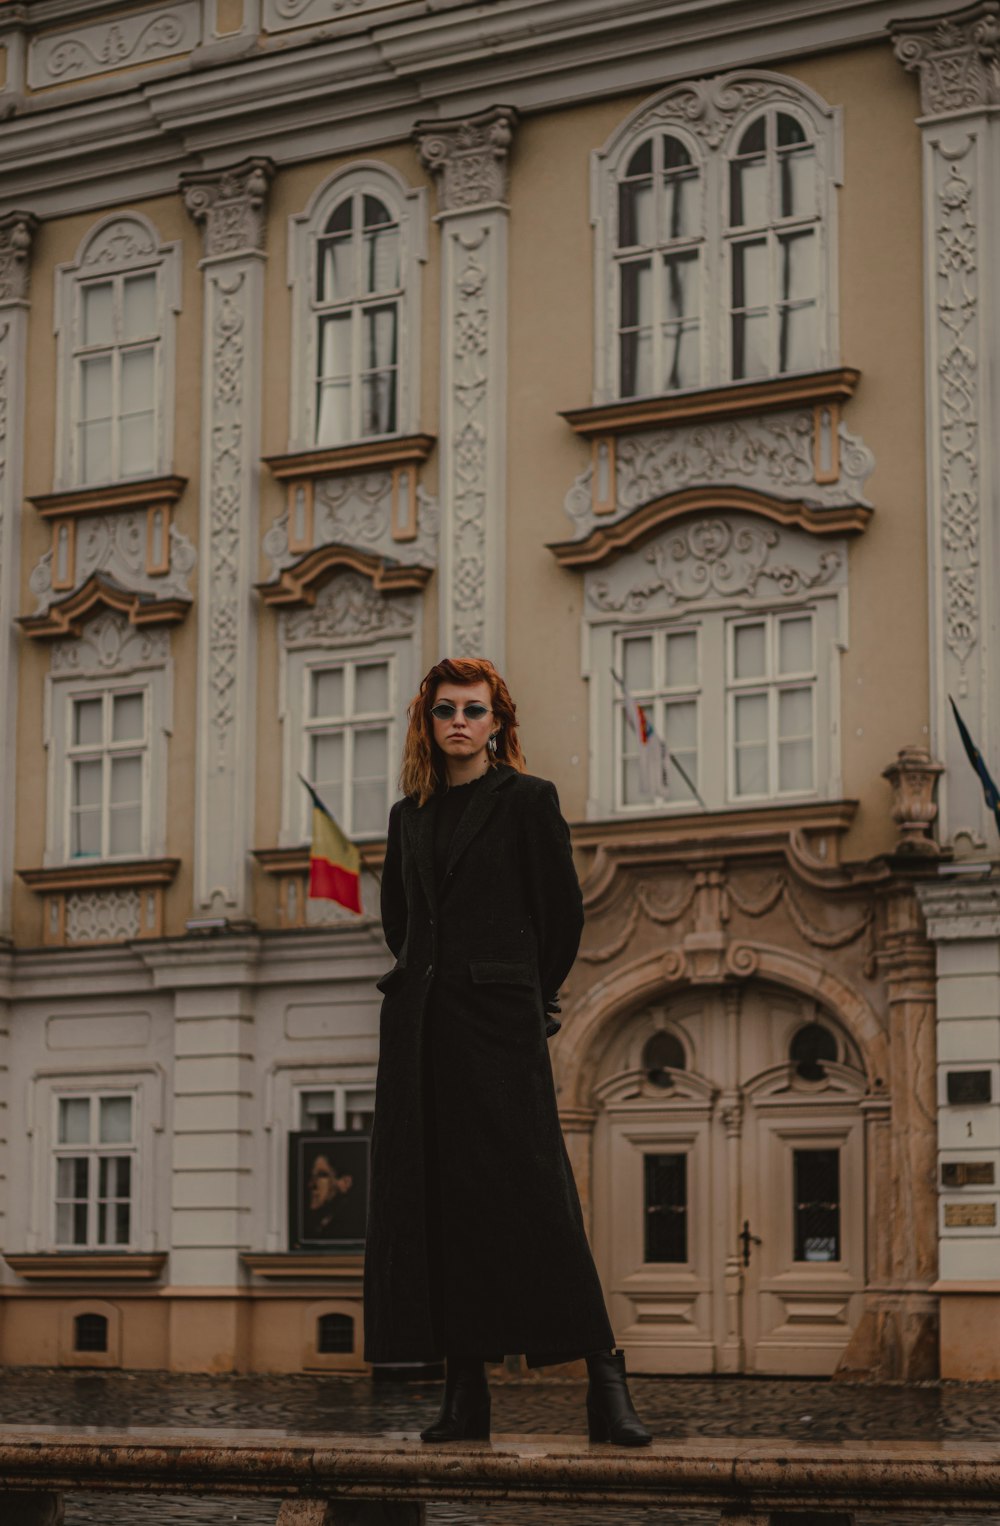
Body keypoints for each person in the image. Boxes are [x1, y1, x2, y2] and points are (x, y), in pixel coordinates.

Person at [363, 657, 650, 1446]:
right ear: (429, 722)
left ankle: (606, 1383)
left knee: (536, 1195)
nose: (460, 720)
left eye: (475, 709)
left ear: (498, 723)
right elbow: (401, 920)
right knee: (441, 1204)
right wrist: (428, 980)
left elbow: (560, 915)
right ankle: (464, 1397)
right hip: (422, 1031)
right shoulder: (408, 814)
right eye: (446, 709)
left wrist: (522, 995)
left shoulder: (529, 801)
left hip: (498, 1027)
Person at [304, 1152, 354, 1240]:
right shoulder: (313, 1226)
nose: (311, 1184)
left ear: (345, 1183)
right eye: (311, 1176)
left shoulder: (348, 1228)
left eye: (321, 1175)